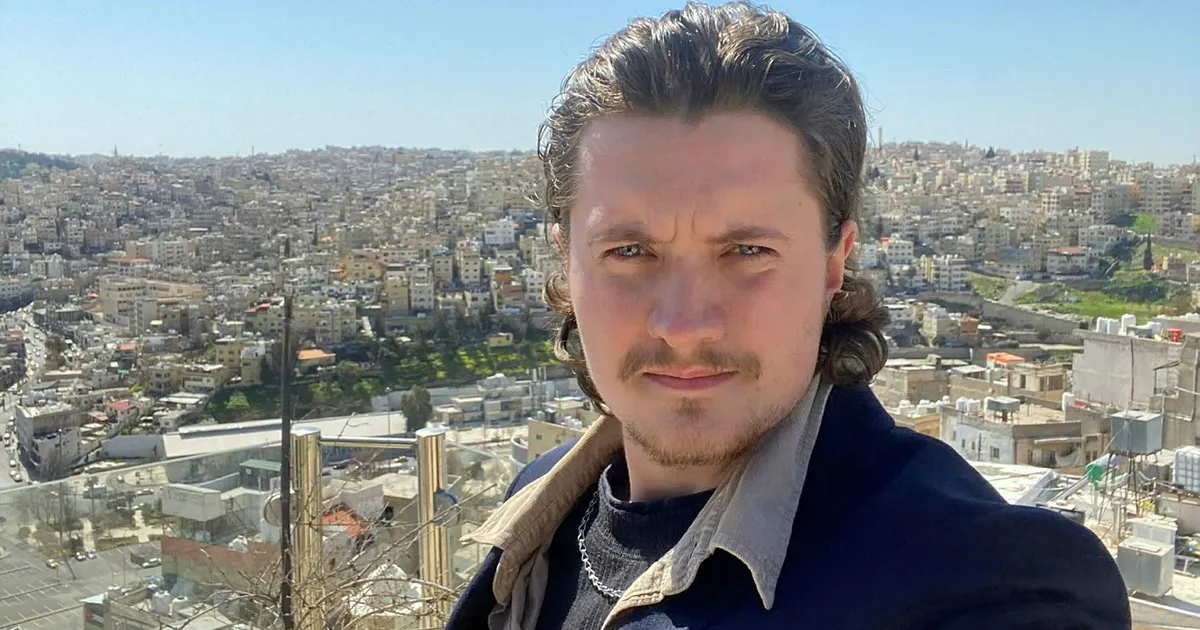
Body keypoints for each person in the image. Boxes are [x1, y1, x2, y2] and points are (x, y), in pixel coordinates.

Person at [446, 3, 1130, 629]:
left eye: (748, 251)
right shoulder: (538, 508)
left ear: (835, 264)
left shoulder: (982, 579)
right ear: (566, 261)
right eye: (629, 251)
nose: (684, 324)